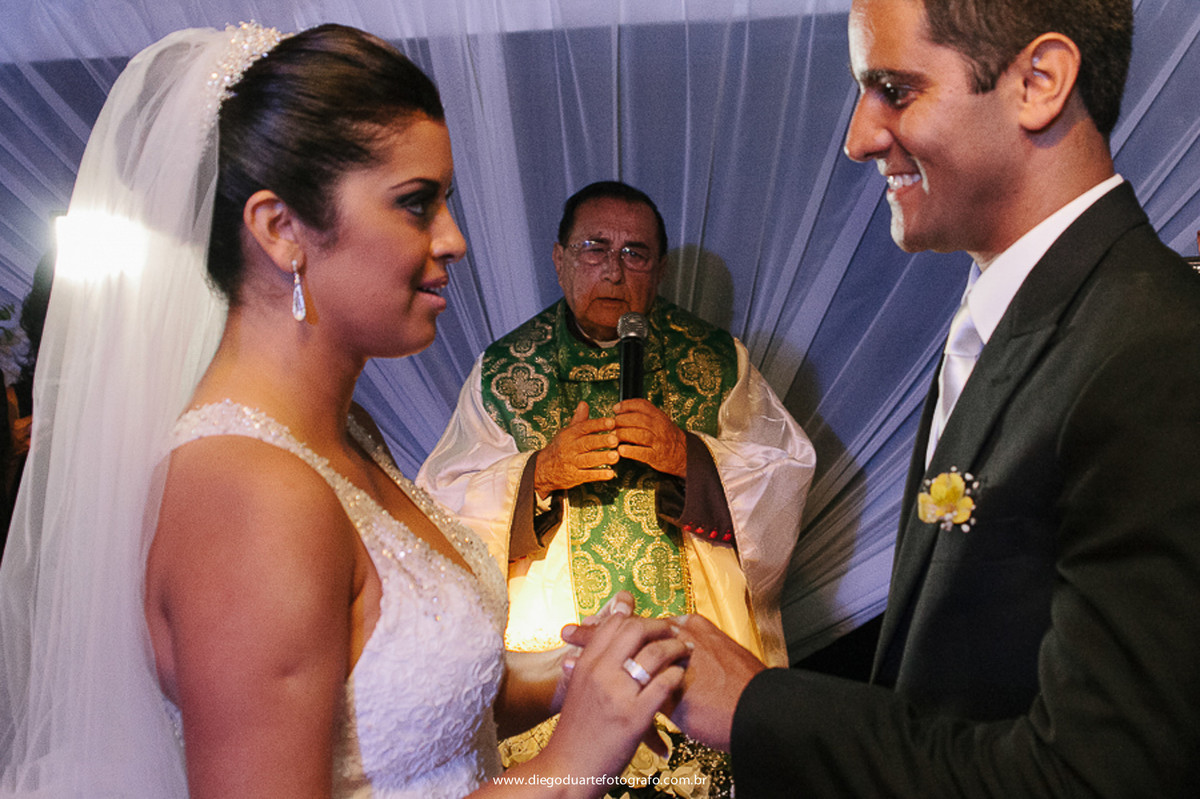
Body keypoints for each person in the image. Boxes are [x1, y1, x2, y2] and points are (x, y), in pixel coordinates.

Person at [0, 23, 689, 798]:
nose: (455, 240)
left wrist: (575, 673)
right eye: (417, 204)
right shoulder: (247, 493)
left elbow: (407, 706)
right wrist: (569, 762)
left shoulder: (343, 433)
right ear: (281, 230)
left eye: (446, 202)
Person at [600, 0, 1200, 795]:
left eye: (895, 89)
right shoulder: (1018, 316)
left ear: (1040, 82)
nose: (857, 138)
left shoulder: (1155, 350)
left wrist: (757, 707)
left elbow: (1091, 776)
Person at [418, 180, 814, 796]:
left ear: (659, 270)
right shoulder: (506, 371)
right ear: (559, 260)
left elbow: (782, 476)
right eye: (595, 248)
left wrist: (688, 456)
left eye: (635, 253)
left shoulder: (716, 361)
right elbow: (440, 509)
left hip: (695, 634)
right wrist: (537, 474)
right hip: (552, 654)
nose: (613, 270)